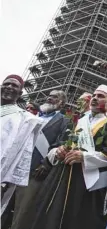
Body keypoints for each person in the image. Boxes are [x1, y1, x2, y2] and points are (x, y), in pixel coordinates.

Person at [30, 85, 107, 229]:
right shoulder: (78, 121)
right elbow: (62, 143)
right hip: (62, 173)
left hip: (88, 181)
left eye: (101, 96)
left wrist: (85, 157)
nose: (95, 98)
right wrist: (58, 151)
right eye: (94, 95)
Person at [11, 90, 69, 229]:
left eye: (54, 97)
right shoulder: (31, 116)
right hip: (13, 165)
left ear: (61, 103)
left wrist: (46, 164)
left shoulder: (64, 121)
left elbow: (60, 144)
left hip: (35, 171)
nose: (49, 97)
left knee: (22, 213)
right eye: (49, 95)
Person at [1, 75, 42, 227]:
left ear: (20, 93)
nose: (9, 87)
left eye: (14, 86)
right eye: (6, 84)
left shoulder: (24, 119)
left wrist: (6, 180)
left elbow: (21, 153)